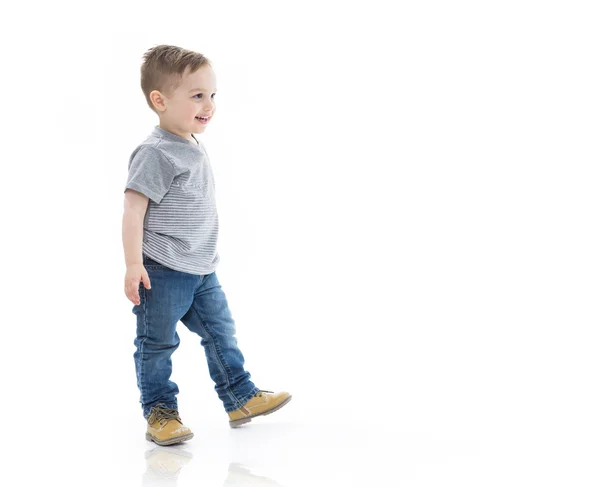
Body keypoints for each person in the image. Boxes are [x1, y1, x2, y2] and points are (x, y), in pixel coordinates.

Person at [122, 44, 292, 446]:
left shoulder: (191, 142)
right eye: (197, 96)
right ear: (159, 101)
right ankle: (160, 413)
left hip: (201, 268)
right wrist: (133, 265)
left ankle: (240, 397)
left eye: (212, 95)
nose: (209, 104)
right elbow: (132, 210)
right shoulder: (155, 152)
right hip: (162, 271)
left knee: (221, 333)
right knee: (157, 343)